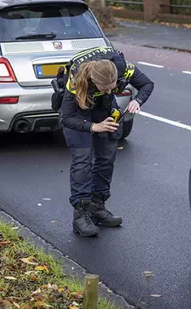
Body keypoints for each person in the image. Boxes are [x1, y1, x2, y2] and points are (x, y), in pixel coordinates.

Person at [58, 47, 154, 237]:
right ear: (94, 81)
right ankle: (80, 215)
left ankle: (97, 207)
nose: (111, 90)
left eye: (114, 86)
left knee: (106, 157)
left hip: (104, 109)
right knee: (83, 161)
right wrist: (94, 127)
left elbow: (147, 84)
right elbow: (66, 118)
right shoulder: (78, 81)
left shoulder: (124, 68)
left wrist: (138, 101)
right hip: (79, 113)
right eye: (106, 88)